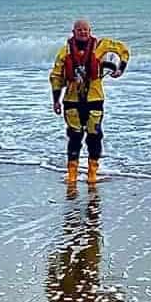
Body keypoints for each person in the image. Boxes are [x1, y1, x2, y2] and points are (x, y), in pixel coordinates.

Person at [50, 19, 130, 185]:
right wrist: (56, 100)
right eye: (79, 30)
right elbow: (56, 76)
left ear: (90, 31)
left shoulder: (101, 46)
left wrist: (120, 69)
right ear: (73, 32)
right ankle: (72, 174)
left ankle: (92, 173)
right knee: (74, 136)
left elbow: (123, 50)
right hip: (71, 100)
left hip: (95, 98)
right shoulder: (64, 51)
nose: (83, 32)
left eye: (85, 30)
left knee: (94, 136)